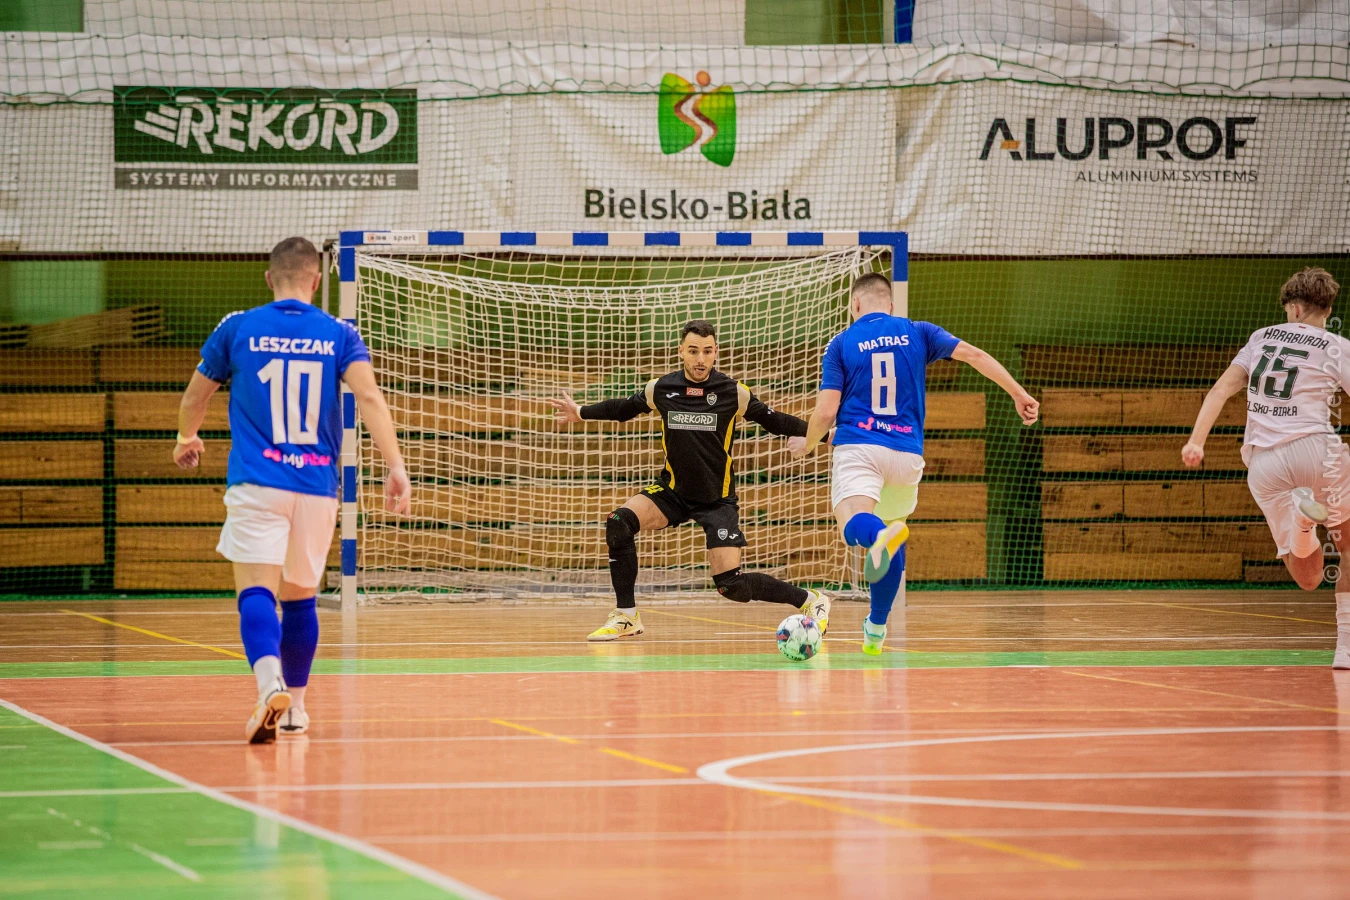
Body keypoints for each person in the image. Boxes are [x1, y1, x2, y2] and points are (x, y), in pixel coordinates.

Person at [173, 236, 410, 743]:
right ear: (316, 281)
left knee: (256, 591)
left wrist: (186, 438)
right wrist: (395, 466)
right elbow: (369, 397)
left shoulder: (237, 327)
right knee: (301, 599)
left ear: (268, 278)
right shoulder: (339, 332)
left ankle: (269, 687)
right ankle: (296, 709)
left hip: (258, 482)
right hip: (317, 486)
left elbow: (196, 396)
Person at [792, 273, 1039, 654]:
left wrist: (807, 444)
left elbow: (826, 412)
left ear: (854, 305)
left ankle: (878, 537)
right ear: (891, 305)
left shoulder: (842, 343)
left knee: (856, 526)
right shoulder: (918, 331)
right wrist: (1019, 394)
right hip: (907, 455)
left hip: (860, 447)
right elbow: (975, 356)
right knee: (892, 534)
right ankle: (875, 629)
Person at [549, 319, 831, 641]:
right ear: (681, 351)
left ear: (716, 353)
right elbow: (624, 408)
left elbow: (775, 421)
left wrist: (826, 436)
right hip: (672, 491)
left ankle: (810, 600)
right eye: (693, 351)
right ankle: (626, 616)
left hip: (716, 499)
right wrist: (580, 412)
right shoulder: (661, 388)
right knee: (618, 522)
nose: (700, 359)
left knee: (732, 585)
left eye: (707, 351)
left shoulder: (733, 392)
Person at [1183, 267, 1350, 668]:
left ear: (1294, 308)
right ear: (1327, 309)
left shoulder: (1261, 338)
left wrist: (1196, 441)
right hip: (1318, 452)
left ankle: (1303, 525)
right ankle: (1346, 647)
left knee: (1307, 578)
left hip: (1265, 463)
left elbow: (1221, 390)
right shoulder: (1337, 345)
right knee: (1348, 546)